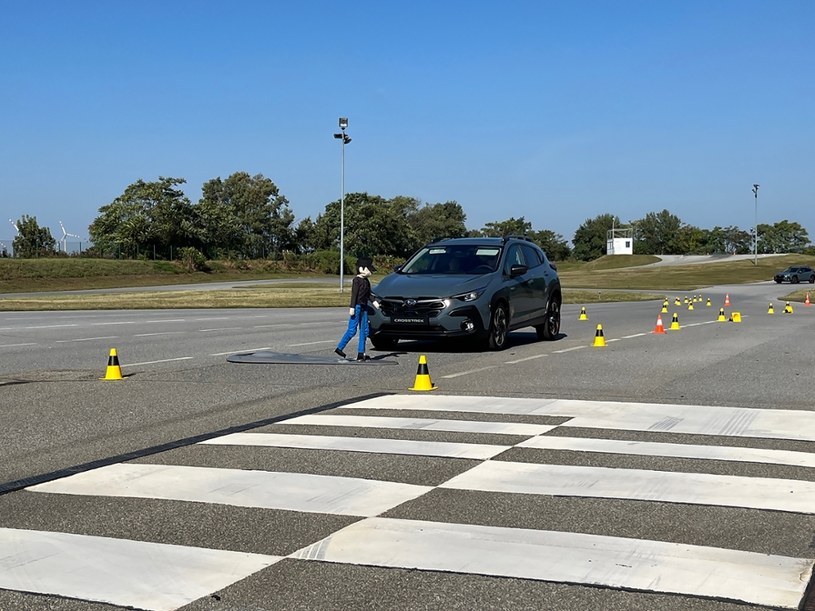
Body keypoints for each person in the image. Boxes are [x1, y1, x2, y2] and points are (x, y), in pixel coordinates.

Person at [335, 257, 376, 361]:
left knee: (364, 330)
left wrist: (375, 302)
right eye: (369, 270)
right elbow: (354, 295)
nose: (370, 272)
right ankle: (340, 348)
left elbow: (369, 294)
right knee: (352, 330)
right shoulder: (356, 281)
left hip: (364, 307)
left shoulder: (366, 281)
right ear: (361, 268)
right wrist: (352, 307)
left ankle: (361, 353)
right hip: (357, 307)